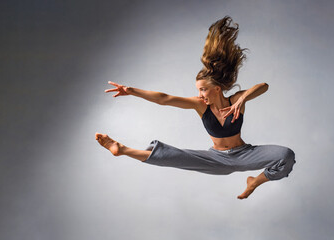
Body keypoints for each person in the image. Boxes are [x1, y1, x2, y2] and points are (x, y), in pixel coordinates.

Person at [95, 16, 295, 199]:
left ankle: (253, 183)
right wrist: (132, 91)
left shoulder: (234, 100)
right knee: (174, 157)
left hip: (244, 154)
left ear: (217, 89)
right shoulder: (200, 105)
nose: (200, 95)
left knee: (286, 155)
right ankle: (122, 149)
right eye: (198, 91)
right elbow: (164, 99)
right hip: (216, 159)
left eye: (203, 90)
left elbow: (263, 86)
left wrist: (242, 100)